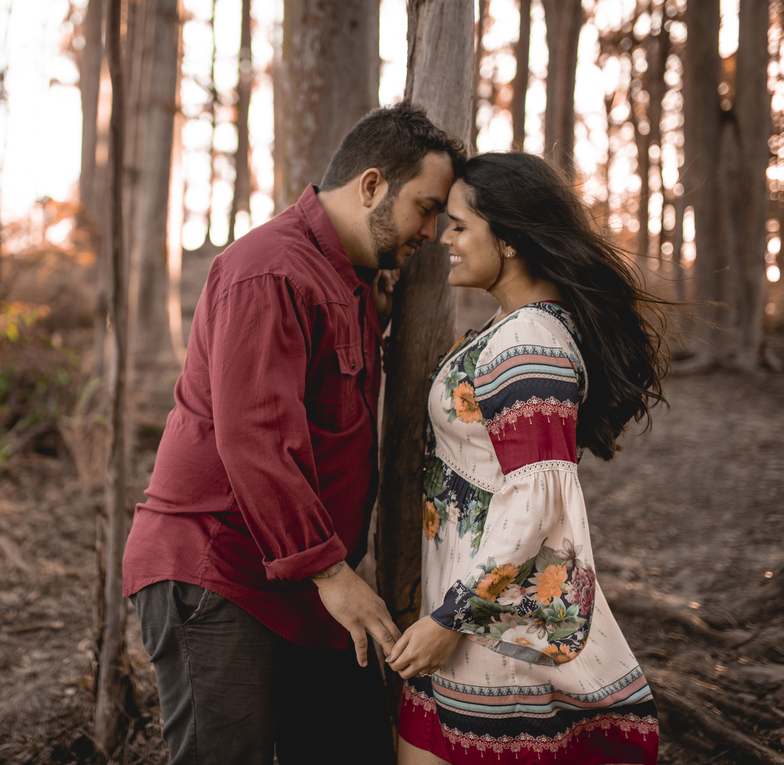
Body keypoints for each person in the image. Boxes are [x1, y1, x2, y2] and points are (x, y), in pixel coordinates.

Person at [122, 103, 467, 764]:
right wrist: (330, 571)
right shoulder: (270, 270)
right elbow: (255, 438)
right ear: (371, 186)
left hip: (308, 581)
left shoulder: (355, 281)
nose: (432, 231)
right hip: (221, 571)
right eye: (426, 208)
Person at [386, 151, 664, 764]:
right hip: (465, 624)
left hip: (488, 636)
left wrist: (449, 619)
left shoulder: (528, 342)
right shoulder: (513, 326)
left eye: (460, 225)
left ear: (509, 239)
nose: (444, 239)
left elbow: (536, 502)